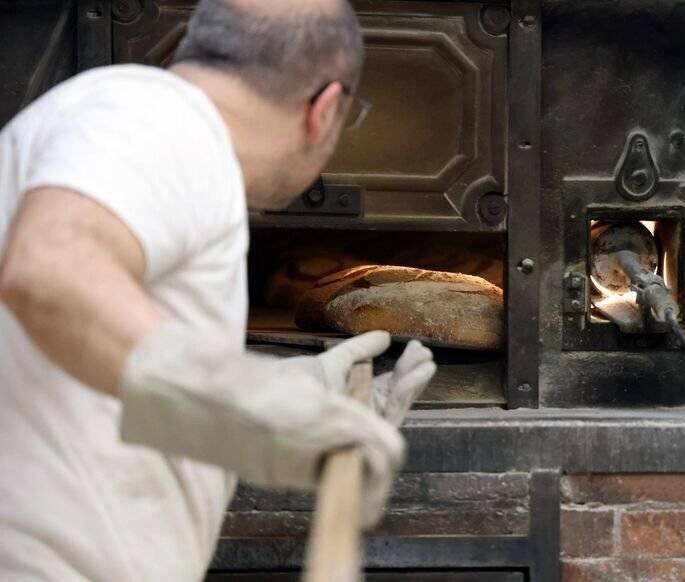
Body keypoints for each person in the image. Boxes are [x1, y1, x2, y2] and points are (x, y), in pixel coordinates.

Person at [0, 0, 436, 579]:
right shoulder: (159, 121)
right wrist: (256, 403)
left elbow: (110, 370)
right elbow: (50, 268)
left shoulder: (141, 123)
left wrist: (307, 393)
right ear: (325, 109)